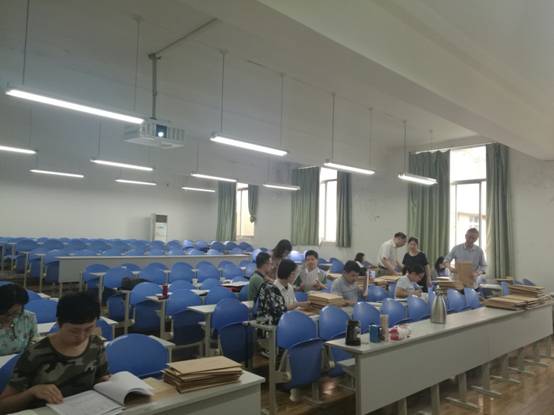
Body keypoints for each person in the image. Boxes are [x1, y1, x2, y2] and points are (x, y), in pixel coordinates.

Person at [0, 292, 109, 413]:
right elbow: (3, 406)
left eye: (89, 329)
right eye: (74, 331)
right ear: (58, 322)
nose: (81, 337)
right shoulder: (36, 354)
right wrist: (32, 392)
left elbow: (101, 377)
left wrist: (107, 384)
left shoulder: (96, 344)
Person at [257, 259, 308, 325]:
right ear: (290, 274)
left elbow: (294, 306)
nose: (295, 276)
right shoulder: (272, 289)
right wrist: (298, 304)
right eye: (294, 273)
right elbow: (280, 310)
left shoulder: (290, 287)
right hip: (276, 324)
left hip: (289, 321)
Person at [0, 284, 38, 356]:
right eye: (6, 314)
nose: (10, 318)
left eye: (15, 313)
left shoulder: (28, 317)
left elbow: (34, 341)